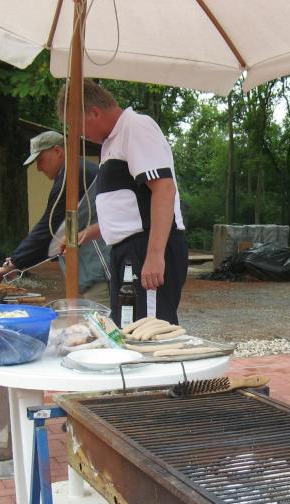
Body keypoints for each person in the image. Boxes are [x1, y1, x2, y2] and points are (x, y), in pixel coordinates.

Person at [55, 80, 188, 326]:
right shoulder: (111, 143)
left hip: (146, 247)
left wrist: (154, 256)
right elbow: (130, 211)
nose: (79, 134)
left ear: (94, 112)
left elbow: (164, 189)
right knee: (126, 328)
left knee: (149, 329)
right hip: (126, 252)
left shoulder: (135, 127)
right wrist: (86, 234)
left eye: (77, 125)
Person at [0, 131, 110, 305]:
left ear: (57, 151)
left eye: (40, 160)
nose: (38, 168)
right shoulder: (75, 172)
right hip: (94, 271)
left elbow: (48, 229)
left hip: (100, 271)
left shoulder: (74, 174)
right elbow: (58, 229)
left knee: (104, 319)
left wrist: (14, 262)